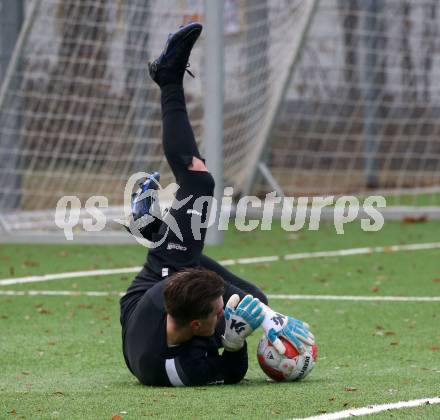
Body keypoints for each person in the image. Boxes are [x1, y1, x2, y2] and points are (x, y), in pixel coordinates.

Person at [120, 22, 314, 387]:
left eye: (217, 311)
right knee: (254, 298)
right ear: (198, 327)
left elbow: (187, 274)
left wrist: (266, 320)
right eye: (217, 313)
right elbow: (230, 373)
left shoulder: (167, 303)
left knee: (198, 181)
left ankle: (170, 79)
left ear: (195, 326)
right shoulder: (188, 362)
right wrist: (235, 341)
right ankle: (153, 229)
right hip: (164, 305)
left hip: (144, 299)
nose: (222, 311)